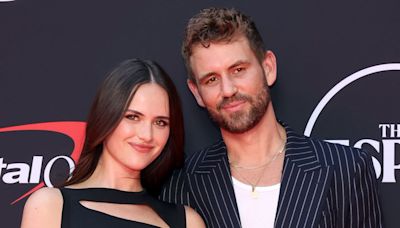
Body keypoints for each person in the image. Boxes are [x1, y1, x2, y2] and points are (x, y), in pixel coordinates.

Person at [160, 7, 383, 228]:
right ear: (196, 92)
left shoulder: (345, 169)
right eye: (211, 79)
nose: (227, 90)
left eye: (238, 70)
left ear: (268, 68)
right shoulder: (181, 185)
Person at [21, 59, 205, 228]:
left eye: (160, 122)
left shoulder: (186, 221)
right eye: (132, 117)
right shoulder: (51, 205)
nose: (147, 135)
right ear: (106, 117)